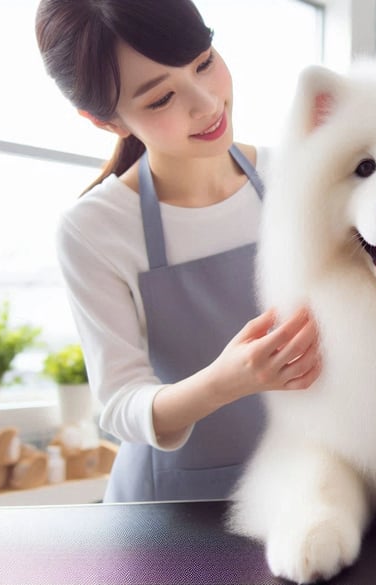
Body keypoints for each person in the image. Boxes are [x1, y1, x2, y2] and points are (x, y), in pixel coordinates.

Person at [35, 0, 321, 503]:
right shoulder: (94, 229)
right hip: (171, 510)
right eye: (161, 98)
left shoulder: (300, 175)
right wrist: (224, 382)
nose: (206, 103)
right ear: (105, 122)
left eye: (204, 62)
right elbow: (120, 403)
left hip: (307, 484)